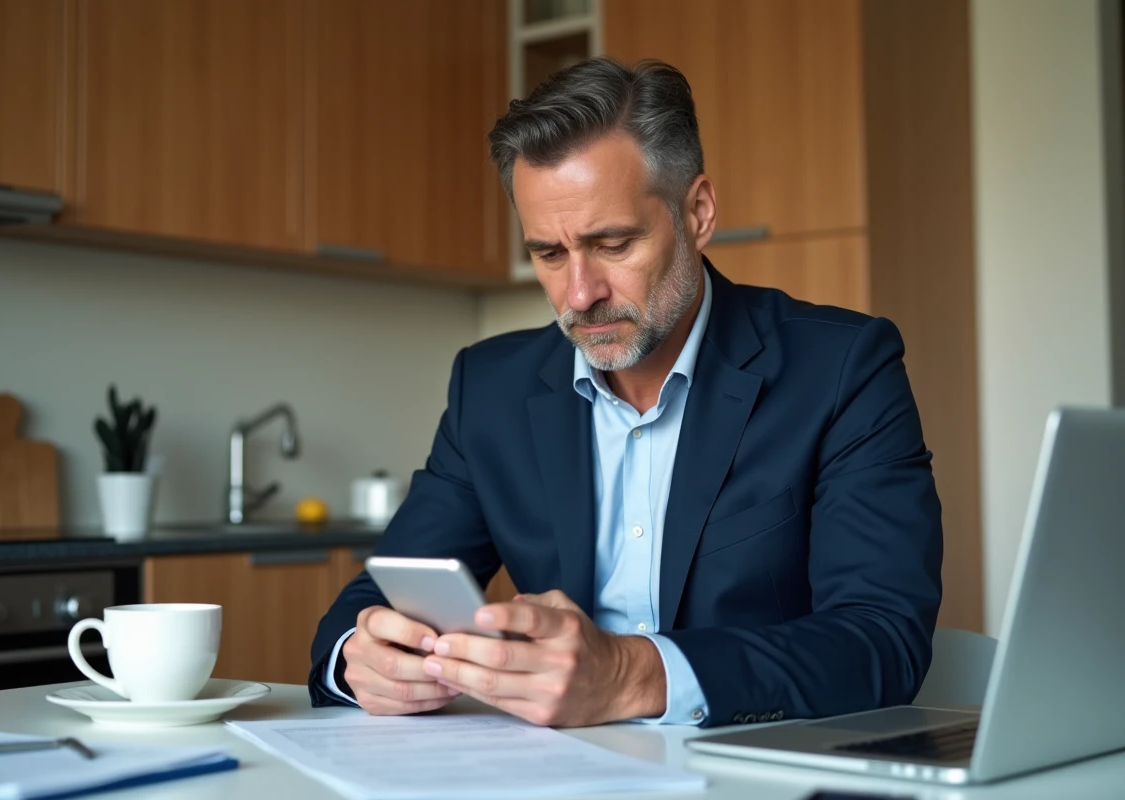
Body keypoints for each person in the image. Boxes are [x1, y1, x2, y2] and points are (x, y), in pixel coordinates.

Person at [309, 57, 943, 729]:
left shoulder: (842, 366)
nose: (580, 295)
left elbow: (883, 640)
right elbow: (371, 604)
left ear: (697, 213)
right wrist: (364, 657)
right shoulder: (490, 387)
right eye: (550, 255)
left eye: (612, 243)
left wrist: (632, 674)